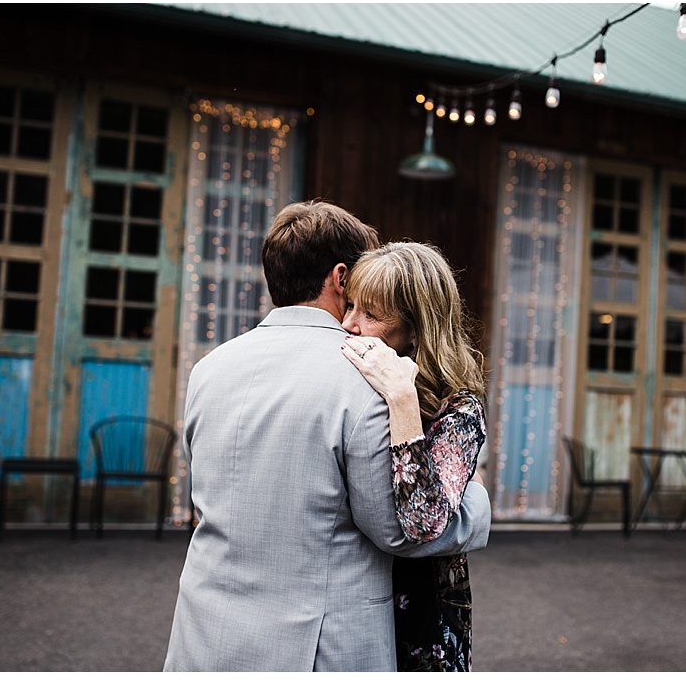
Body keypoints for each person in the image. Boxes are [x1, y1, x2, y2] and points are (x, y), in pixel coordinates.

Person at [163, 201, 491, 672]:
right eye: (355, 295)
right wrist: (477, 509)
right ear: (341, 278)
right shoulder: (364, 376)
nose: (355, 320)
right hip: (316, 647)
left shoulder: (208, 369)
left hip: (203, 632)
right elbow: (397, 531)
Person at [340, 241, 488, 672]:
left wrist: (403, 399)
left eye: (371, 314)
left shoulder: (459, 407)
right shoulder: (352, 381)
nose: (349, 325)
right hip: (355, 599)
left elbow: (423, 521)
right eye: (350, 306)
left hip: (423, 613)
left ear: (417, 328)